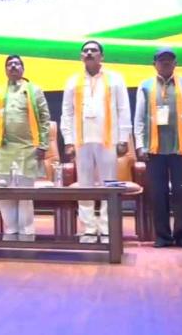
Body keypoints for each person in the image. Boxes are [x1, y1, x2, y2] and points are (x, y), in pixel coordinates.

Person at [61, 41, 132, 243]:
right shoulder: (72, 81)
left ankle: (108, 228)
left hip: (108, 139)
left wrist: (123, 138)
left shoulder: (115, 79)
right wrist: (68, 140)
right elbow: (67, 112)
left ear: (102, 56)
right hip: (82, 140)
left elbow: (123, 109)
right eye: (86, 51)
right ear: (81, 56)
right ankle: (89, 229)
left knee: (109, 184)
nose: (89, 53)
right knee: (85, 186)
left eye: (94, 50)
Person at [134, 48, 182, 248]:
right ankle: (162, 236)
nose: (165, 63)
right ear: (154, 64)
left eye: (169, 60)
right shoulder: (145, 86)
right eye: (161, 60)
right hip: (154, 150)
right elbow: (139, 119)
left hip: (181, 148)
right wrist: (139, 145)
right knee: (158, 193)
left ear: (175, 63)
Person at [0, 55, 50, 238]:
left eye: (17, 63)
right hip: (3, 149)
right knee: (5, 192)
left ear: (23, 68)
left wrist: (43, 145)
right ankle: (10, 230)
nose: (13, 66)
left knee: (24, 192)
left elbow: (44, 119)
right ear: (5, 70)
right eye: (9, 64)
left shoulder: (34, 90)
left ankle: (26, 231)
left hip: (27, 148)